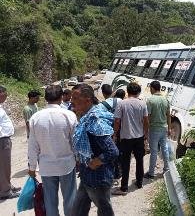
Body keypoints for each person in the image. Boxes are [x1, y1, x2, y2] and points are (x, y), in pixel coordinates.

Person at [28, 85, 77, 216]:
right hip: (66, 164)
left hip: (46, 166)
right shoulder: (69, 115)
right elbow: (75, 142)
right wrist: (78, 159)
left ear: (45, 98)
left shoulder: (36, 118)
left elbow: (33, 145)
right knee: (70, 198)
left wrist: (32, 167)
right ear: (61, 98)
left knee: (50, 201)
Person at [71, 84, 118, 216]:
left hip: (98, 178)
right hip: (87, 176)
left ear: (88, 100)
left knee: (105, 212)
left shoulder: (95, 120)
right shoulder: (86, 117)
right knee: (78, 212)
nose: (72, 100)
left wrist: (97, 161)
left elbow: (112, 151)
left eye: (75, 97)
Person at [112, 82, 149, 195]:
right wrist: (145, 135)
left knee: (125, 162)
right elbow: (146, 121)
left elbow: (117, 121)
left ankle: (124, 188)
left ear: (127, 91)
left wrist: (115, 134)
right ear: (138, 92)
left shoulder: (122, 104)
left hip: (126, 137)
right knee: (139, 160)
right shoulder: (142, 104)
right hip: (139, 137)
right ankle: (139, 182)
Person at [144, 81, 171, 179]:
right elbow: (168, 115)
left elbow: (148, 117)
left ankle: (151, 173)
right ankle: (166, 169)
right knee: (164, 148)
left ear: (152, 88)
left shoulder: (150, 100)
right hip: (164, 128)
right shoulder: (166, 100)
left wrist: (145, 131)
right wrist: (169, 128)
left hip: (154, 129)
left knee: (154, 151)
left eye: (150, 88)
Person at [0, 86, 21, 200]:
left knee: (4, 166)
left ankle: (7, 186)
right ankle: (5, 191)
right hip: (2, 140)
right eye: (4, 93)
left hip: (3, 139)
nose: (6, 95)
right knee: (4, 166)